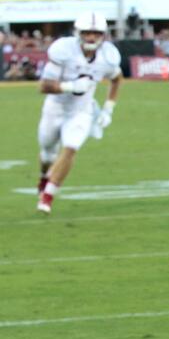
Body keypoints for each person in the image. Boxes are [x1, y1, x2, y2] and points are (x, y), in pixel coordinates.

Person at [35, 11, 122, 214]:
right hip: (55, 108)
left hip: (81, 111)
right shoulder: (64, 50)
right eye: (87, 32)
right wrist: (70, 86)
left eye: (96, 33)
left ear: (103, 35)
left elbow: (117, 79)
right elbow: (44, 86)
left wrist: (109, 108)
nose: (91, 37)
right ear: (78, 33)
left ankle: (48, 195)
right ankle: (43, 176)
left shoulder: (107, 57)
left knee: (71, 147)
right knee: (48, 153)